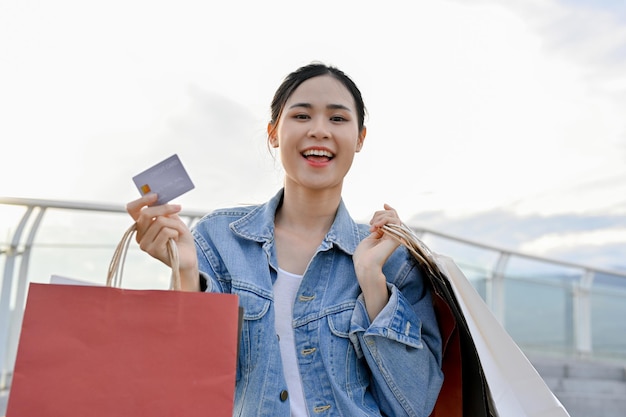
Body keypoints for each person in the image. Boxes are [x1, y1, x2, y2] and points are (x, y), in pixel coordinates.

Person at [127, 62, 444, 417]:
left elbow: (415, 405)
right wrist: (186, 273)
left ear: (360, 139)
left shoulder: (392, 259)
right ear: (273, 133)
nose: (320, 131)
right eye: (302, 116)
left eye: (338, 119)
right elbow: (191, 382)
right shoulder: (216, 240)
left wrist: (372, 282)